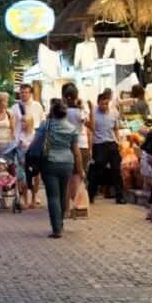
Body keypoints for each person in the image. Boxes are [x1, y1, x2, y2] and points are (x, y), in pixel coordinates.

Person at [38, 99, 83, 238]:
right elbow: (76, 152)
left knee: (53, 196)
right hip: (67, 164)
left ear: (52, 112)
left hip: (50, 163)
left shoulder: (46, 125)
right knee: (64, 194)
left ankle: (56, 229)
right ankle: (61, 223)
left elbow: (36, 143)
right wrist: (80, 170)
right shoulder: (72, 128)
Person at [87, 92, 126, 204]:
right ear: (98, 102)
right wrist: (90, 147)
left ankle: (120, 196)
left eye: (106, 103)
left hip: (112, 144)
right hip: (99, 145)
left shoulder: (114, 113)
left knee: (116, 170)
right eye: (102, 104)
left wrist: (118, 142)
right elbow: (90, 130)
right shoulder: (93, 113)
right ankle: (91, 195)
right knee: (97, 171)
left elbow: (116, 129)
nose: (104, 106)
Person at [11, 84, 45, 204]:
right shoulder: (15, 107)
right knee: (22, 172)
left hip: (35, 141)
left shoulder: (37, 106)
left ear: (30, 93)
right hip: (20, 142)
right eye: (21, 92)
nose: (23, 94)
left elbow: (42, 123)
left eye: (26, 92)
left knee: (36, 172)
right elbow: (13, 126)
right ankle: (23, 196)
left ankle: (35, 196)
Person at [62, 83, 91, 217]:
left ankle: (66, 209)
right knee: (78, 178)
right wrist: (89, 108)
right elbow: (92, 126)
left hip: (65, 146)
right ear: (76, 96)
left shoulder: (61, 112)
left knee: (66, 180)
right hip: (80, 145)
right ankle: (78, 207)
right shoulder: (80, 112)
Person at [16, 114, 36, 208]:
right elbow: (19, 147)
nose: (22, 123)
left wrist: (27, 145)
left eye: (24, 121)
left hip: (32, 160)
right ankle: (25, 201)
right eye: (22, 121)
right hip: (22, 160)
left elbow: (34, 146)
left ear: (29, 123)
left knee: (32, 181)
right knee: (23, 182)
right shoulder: (20, 134)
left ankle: (33, 200)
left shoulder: (34, 134)